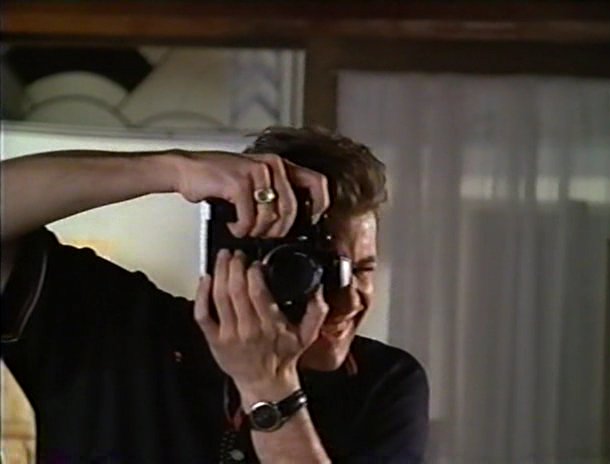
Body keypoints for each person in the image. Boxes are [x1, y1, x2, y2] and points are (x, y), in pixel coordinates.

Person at [1, 126, 428, 463]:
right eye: (315, 272)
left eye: (363, 270)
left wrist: (269, 388)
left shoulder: (382, 382)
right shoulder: (116, 328)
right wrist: (173, 170)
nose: (350, 301)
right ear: (240, 254)